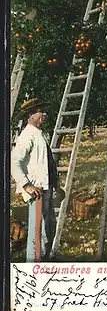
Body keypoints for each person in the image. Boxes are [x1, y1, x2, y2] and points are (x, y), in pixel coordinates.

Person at [11, 98, 64, 261]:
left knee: (49, 228)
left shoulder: (39, 134)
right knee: (38, 230)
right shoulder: (27, 136)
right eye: (40, 111)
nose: (44, 114)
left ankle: (45, 261)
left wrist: (56, 185)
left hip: (46, 187)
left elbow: (47, 162)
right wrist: (26, 185)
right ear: (30, 115)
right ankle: (32, 265)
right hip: (37, 191)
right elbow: (14, 161)